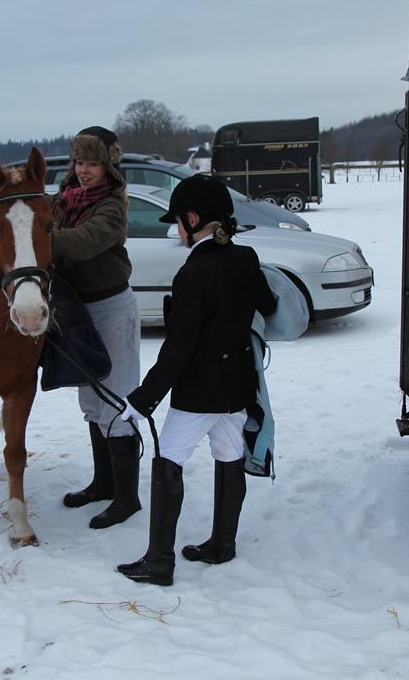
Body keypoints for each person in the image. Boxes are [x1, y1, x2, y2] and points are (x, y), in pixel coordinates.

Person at [115, 174, 278, 586]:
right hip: (237, 389)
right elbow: (269, 303)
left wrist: (142, 399)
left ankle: (159, 560)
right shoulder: (246, 258)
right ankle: (222, 543)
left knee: (168, 458)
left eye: (177, 223)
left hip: (198, 395)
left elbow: (179, 348)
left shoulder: (193, 273)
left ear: (192, 218)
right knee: (228, 457)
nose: (176, 231)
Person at [53, 126, 142, 529]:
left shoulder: (112, 204)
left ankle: (127, 498)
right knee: (92, 402)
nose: (84, 170)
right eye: (79, 162)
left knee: (117, 400)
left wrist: (38, 236)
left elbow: (84, 242)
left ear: (108, 165)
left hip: (111, 308)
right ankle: (103, 484)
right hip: (79, 311)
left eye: (92, 163)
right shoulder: (64, 199)